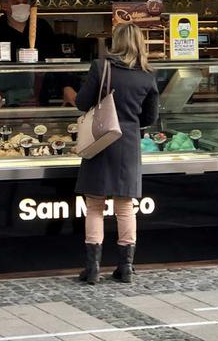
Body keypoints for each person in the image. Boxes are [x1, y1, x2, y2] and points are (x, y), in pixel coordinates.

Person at [75, 23, 159, 285]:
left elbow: (81, 102)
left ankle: (92, 269)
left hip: (100, 141)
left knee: (95, 205)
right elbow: (149, 117)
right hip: (128, 143)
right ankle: (125, 267)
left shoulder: (102, 67)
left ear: (117, 42)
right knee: (125, 207)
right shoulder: (147, 75)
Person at [0, 0, 77, 109]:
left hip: (38, 101)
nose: (22, 6)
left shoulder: (42, 27)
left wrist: (67, 86)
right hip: (2, 102)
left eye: (25, 2)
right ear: (4, 5)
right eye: (16, 2)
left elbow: (56, 60)